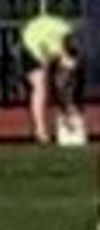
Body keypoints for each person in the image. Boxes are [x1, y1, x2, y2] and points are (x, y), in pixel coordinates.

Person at [20, 8, 82, 146]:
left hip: (46, 43)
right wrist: (48, 63)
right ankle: (41, 130)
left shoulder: (66, 35)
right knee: (40, 85)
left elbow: (69, 61)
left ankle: (67, 118)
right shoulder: (56, 36)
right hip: (31, 44)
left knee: (63, 80)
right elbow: (52, 57)